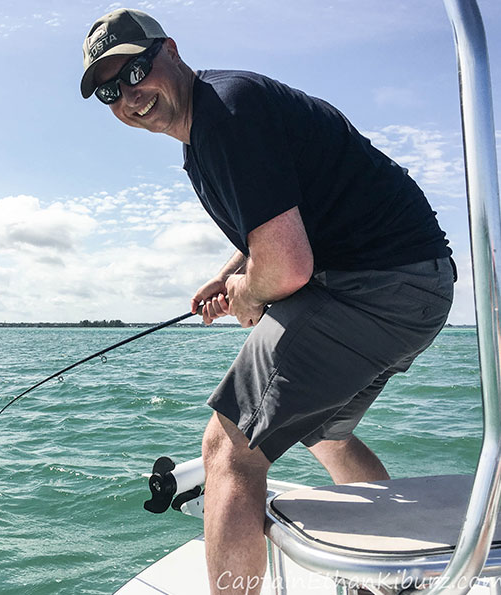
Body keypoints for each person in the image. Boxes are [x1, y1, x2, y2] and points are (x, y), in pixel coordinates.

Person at [80, 8, 455, 594]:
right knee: (325, 433)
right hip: (417, 284)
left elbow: (285, 266)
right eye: (109, 90)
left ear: (170, 50)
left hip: (374, 286)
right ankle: (398, 582)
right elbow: (276, 231)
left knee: (227, 449)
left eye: (136, 71)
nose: (129, 94)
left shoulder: (226, 115)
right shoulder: (215, 125)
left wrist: (251, 294)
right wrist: (227, 276)